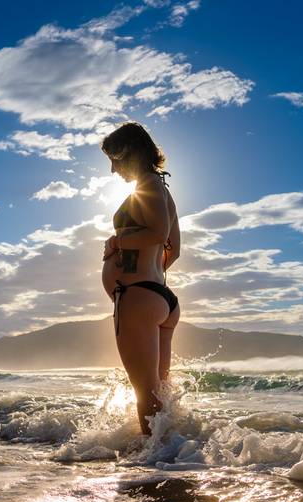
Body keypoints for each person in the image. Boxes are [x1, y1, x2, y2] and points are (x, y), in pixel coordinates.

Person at [100, 122, 181, 435]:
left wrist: (118, 244)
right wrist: (151, 276)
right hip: (158, 298)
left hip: (137, 298)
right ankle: (169, 458)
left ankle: (154, 467)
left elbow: (158, 234)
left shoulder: (148, 185)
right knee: (158, 393)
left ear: (131, 153)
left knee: (145, 395)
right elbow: (173, 250)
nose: (112, 169)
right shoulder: (161, 188)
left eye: (115, 159)